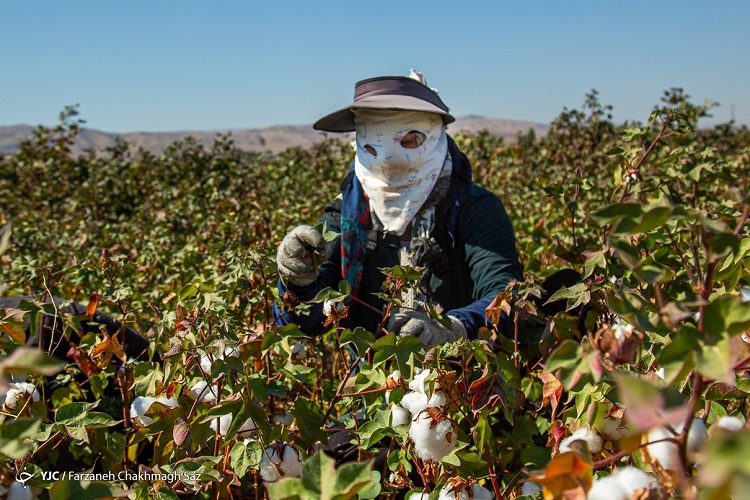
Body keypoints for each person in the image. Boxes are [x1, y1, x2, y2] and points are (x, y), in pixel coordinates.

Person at [274, 71, 523, 347]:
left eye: (408, 141)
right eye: (373, 146)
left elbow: (504, 297)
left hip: (459, 380)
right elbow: (307, 322)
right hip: (367, 385)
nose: (391, 162)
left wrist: (454, 328)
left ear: (435, 134)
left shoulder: (474, 209)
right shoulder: (346, 215)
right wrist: (296, 282)